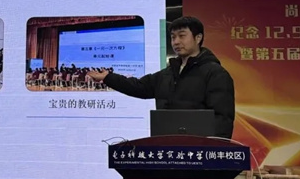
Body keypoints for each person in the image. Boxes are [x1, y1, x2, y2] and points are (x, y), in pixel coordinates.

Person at [87, 16, 235, 139]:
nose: (176, 42)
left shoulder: (215, 74)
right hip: (167, 149)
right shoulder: (167, 74)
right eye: (173, 37)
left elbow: (222, 119)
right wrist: (108, 77)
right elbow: (139, 86)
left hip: (199, 153)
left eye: (182, 36)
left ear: (198, 38)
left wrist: (213, 151)